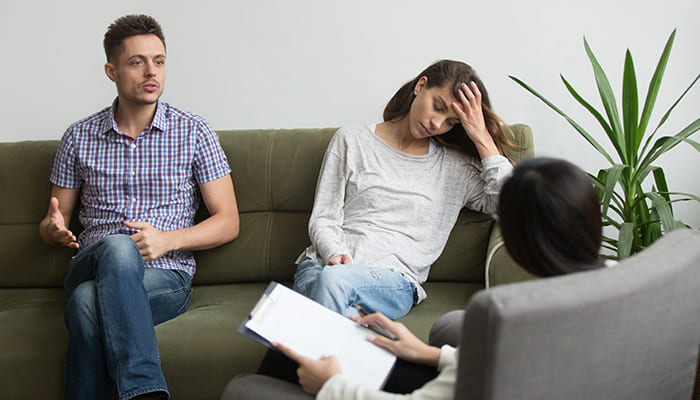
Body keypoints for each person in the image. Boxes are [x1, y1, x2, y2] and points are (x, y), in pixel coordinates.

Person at [221, 157, 605, 399]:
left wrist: (332, 386)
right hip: (478, 379)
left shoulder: (515, 320)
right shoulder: (621, 283)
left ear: (520, 245)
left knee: (245, 387)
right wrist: (432, 354)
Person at [39, 15, 239, 400]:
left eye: (159, 61)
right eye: (137, 62)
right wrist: (52, 230)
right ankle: (144, 390)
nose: (151, 72)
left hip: (165, 276)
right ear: (111, 71)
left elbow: (229, 221)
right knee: (118, 246)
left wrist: (168, 240)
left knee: (85, 304)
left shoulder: (194, 131)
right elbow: (53, 223)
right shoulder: (78, 137)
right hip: (91, 263)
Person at [293, 60, 518, 321]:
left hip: (390, 281)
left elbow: (511, 205)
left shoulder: (455, 168)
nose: (437, 124)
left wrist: (481, 135)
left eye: (452, 121)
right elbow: (324, 217)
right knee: (337, 299)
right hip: (322, 267)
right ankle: (352, 330)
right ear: (421, 86)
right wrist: (334, 254)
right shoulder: (351, 140)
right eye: (438, 107)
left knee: (325, 294)